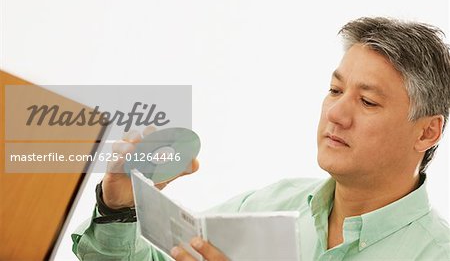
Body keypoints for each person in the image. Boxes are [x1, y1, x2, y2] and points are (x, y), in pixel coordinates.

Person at [72, 17, 450, 260]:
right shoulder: (271, 203)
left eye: (367, 101)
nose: (336, 114)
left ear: (427, 131)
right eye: (335, 91)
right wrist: (119, 209)